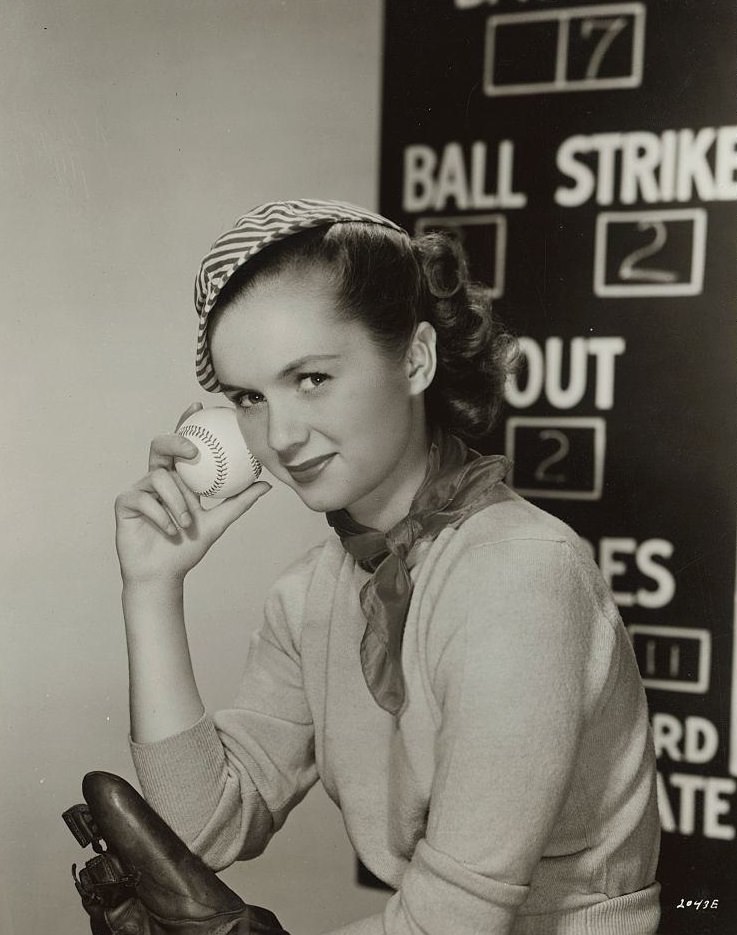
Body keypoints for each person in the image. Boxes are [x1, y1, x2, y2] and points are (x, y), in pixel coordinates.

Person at [114, 198, 661, 935]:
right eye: (249, 397)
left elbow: (455, 920)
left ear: (415, 358)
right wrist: (152, 586)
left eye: (310, 378)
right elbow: (203, 830)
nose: (279, 434)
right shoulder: (313, 590)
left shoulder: (519, 574)